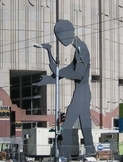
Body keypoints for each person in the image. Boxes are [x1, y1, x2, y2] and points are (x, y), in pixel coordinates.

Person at [35, 19, 95, 157]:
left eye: (62, 36)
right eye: (59, 38)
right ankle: (90, 152)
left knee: (67, 126)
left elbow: (78, 74)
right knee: (85, 125)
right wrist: (49, 52)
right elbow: (58, 72)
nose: (61, 41)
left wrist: (56, 75)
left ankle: (65, 154)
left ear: (70, 32)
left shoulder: (81, 48)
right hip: (83, 93)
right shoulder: (77, 50)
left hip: (82, 93)